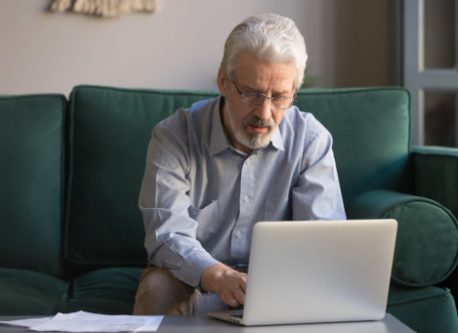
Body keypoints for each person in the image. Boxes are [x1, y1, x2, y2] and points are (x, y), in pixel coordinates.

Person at [133, 13, 346, 316]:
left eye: (280, 97)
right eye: (251, 93)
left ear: (294, 92)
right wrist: (218, 276)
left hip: (282, 285)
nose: (265, 112)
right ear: (223, 81)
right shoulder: (174, 136)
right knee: (158, 288)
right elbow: (166, 235)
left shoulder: (311, 140)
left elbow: (323, 240)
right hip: (193, 281)